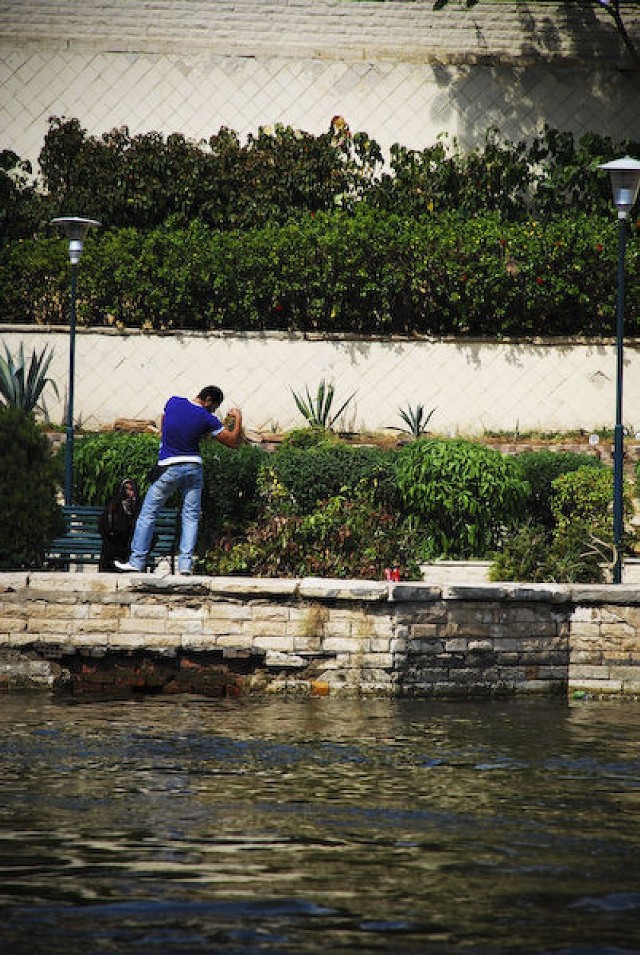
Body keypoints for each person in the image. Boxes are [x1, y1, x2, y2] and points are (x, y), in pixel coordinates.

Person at [115, 386, 243, 575]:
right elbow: (233, 441)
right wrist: (238, 417)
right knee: (190, 517)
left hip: (168, 467)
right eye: (213, 407)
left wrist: (166, 436)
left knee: (148, 514)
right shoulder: (208, 419)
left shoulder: (174, 401)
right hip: (193, 468)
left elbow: (165, 420)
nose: (213, 411)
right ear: (207, 400)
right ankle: (185, 566)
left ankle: (137, 561)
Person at [98, 477, 141, 572]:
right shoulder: (113, 507)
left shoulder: (138, 507)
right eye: (126, 489)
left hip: (129, 547)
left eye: (131, 489)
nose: (129, 493)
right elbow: (107, 527)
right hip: (113, 546)